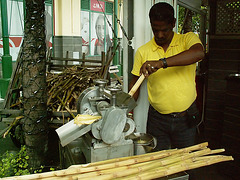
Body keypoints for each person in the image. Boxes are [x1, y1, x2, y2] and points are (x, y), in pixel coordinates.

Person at [129, 2, 205, 151]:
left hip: (186, 118)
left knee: (186, 163)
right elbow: (134, 84)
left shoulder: (187, 40)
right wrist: (126, 111)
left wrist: (161, 63)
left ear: (174, 23)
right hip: (157, 120)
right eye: (155, 30)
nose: (159, 35)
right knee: (157, 164)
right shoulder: (143, 51)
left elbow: (199, 53)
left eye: (164, 30)